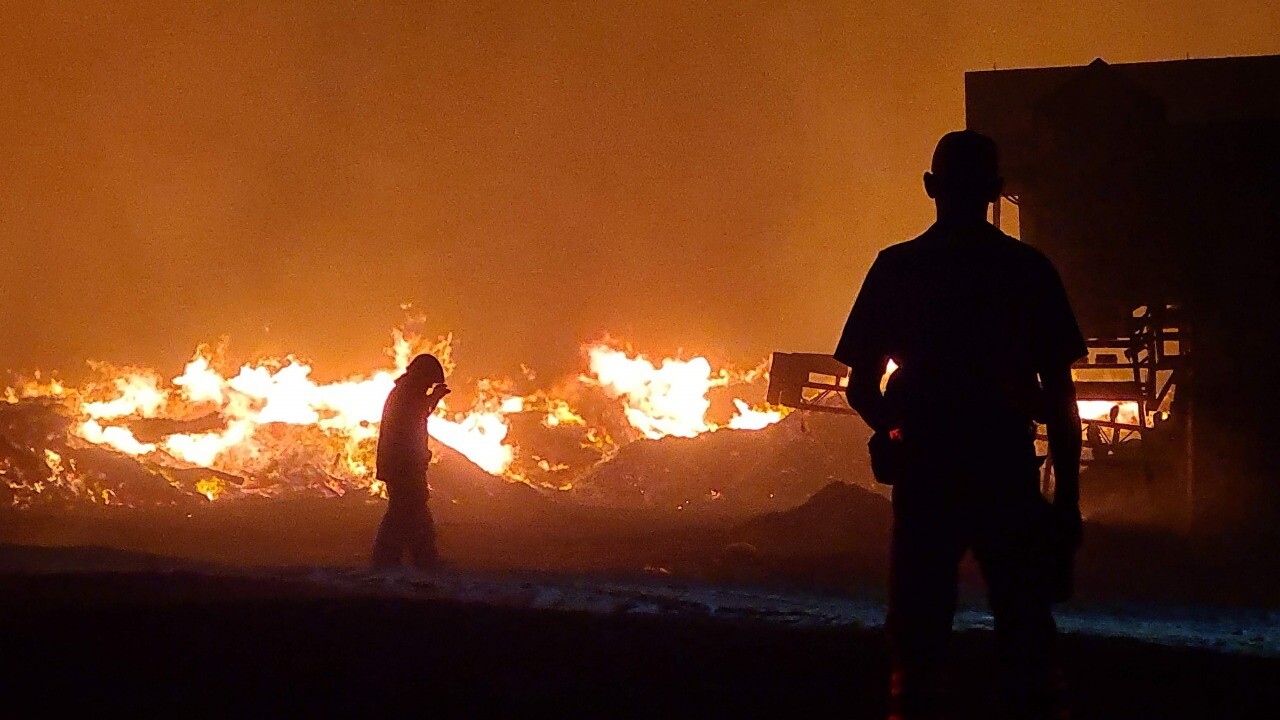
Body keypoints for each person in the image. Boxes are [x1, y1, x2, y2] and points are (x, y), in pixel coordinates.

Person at [835, 130, 1086, 719]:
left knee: (917, 647)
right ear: (996, 192)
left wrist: (896, 431)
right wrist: (1067, 502)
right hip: (1005, 471)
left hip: (928, 476)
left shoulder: (898, 269)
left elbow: (861, 388)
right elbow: (1060, 400)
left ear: (930, 188)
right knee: (1026, 643)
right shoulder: (1028, 271)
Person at [372, 353, 451, 569]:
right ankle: (397, 560)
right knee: (405, 510)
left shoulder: (405, 392)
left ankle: (417, 558)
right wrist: (434, 398)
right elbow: (414, 419)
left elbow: (419, 413)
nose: (428, 386)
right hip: (403, 466)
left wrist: (433, 398)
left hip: (402, 465)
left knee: (410, 511)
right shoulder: (407, 394)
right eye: (428, 381)